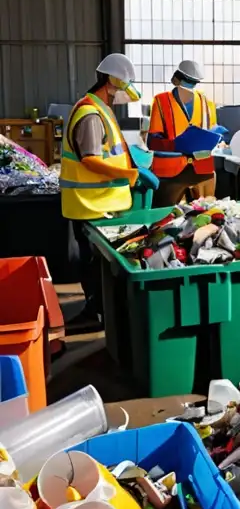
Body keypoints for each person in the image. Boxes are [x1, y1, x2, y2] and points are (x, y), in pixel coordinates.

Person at [61, 53, 158, 322]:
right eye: (123, 88)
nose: (124, 95)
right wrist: (130, 174)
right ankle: (94, 312)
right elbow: (90, 160)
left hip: (102, 203)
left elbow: (109, 150)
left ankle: (103, 310)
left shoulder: (101, 109)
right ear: (112, 81)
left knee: (101, 265)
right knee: (93, 265)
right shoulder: (90, 113)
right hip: (91, 204)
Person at [146, 60, 219, 208]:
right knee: (168, 217)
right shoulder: (161, 101)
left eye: (194, 82)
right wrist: (176, 145)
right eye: (188, 81)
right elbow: (152, 141)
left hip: (202, 169)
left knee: (205, 215)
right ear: (177, 79)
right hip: (170, 171)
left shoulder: (206, 102)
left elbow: (212, 132)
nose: (190, 86)